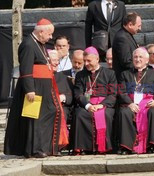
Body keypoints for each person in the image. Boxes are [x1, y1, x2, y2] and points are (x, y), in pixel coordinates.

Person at [4, 18, 68, 158]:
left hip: (44, 87)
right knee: (36, 120)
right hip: (35, 89)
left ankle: (48, 147)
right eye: (49, 34)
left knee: (51, 112)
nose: (51, 37)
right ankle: (36, 149)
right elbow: (26, 69)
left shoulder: (39, 43)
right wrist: (29, 89)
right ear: (41, 32)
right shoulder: (28, 44)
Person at [71, 46, 117, 155]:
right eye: (85, 61)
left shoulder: (110, 73)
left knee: (107, 115)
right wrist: (88, 106)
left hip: (104, 105)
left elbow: (113, 94)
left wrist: (101, 105)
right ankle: (83, 147)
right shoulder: (80, 75)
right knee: (80, 114)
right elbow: (78, 94)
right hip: (87, 104)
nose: (86, 64)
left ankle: (104, 147)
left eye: (89, 61)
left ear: (97, 59)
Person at [118, 47, 154, 154]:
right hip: (131, 103)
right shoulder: (125, 74)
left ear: (147, 60)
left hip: (148, 104)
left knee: (153, 112)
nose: (138, 59)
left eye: (140, 57)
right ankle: (127, 146)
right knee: (124, 112)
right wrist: (129, 103)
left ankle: (151, 145)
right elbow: (121, 92)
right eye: (135, 57)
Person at [112, 12, 141, 78]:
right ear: (130, 25)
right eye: (138, 26)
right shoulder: (122, 38)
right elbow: (126, 61)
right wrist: (141, 66)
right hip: (126, 78)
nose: (140, 29)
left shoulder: (126, 34)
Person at [49, 50, 73, 123]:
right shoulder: (39, 77)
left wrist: (64, 97)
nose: (57, 63)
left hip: (61, 108)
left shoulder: (64, 77)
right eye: (54, 60)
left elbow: (71, 97)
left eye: (58, 60)